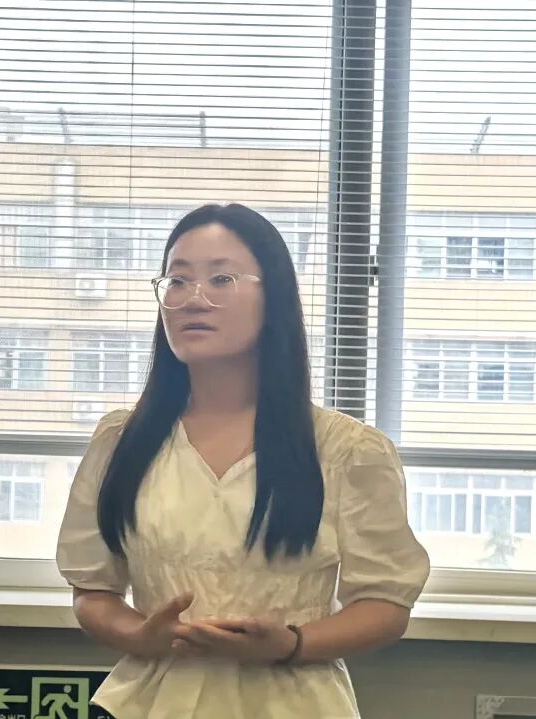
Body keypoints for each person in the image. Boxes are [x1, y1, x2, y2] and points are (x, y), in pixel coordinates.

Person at [56, 203, 431, 718]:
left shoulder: (346, 450)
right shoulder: (122, 440)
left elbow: (386, 605)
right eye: (177, 281)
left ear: (273, 298)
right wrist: (141, 635)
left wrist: (291, 643)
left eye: (221, 279)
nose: (193, 298)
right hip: (148, 703)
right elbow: (92, 591)